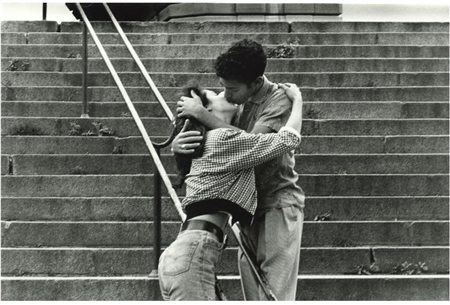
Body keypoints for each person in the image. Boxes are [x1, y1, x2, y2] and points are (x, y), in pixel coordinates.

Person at [172, 39, 305, 300]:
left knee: (274, 293)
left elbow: (250, 145)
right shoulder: (236, 99)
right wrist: (179, 144)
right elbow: (213, 146)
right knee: (252, 292)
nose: (225, 95)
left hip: (277, 201)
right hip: (246, 207)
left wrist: (201, 114)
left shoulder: (278, 100)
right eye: (223, 87)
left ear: (255, 83)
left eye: (231, 89)